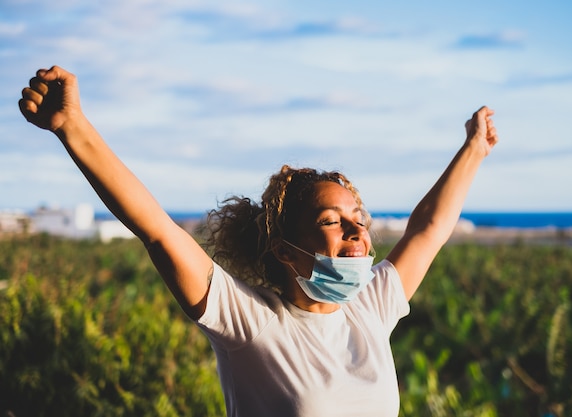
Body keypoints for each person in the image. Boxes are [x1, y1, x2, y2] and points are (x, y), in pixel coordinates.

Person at [19, 65, 498, 417]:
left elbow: (429, 230)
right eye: (333, 221)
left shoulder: (371, 306)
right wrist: (72, 127)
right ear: (285, 250)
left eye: (359, 218)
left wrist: (475, 148)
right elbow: (157, 230)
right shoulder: (251, 323)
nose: (358, 231)